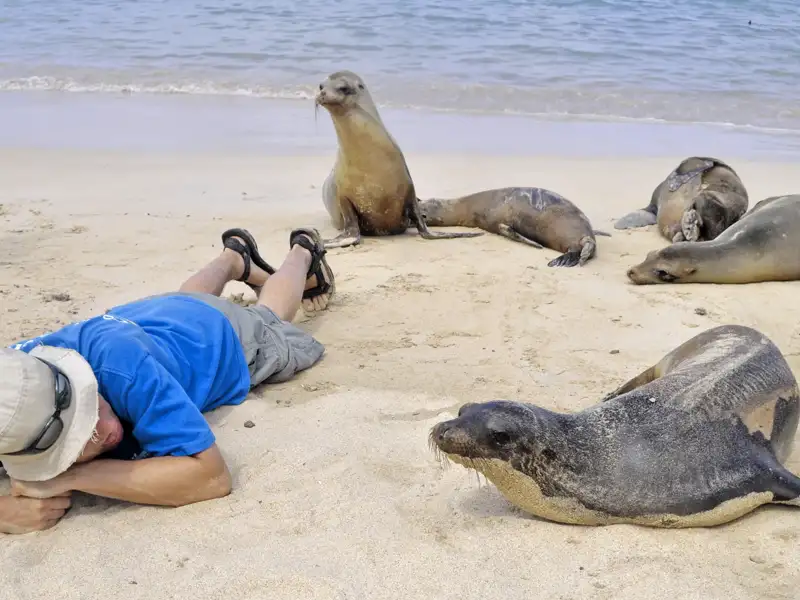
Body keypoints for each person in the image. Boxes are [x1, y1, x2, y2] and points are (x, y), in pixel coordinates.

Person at [0, 226, 335, 535]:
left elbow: (211, 477)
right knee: (185, 303)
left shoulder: (125, 369)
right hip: (152, 317)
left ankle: (304, 251)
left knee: (268, 318)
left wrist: (68, 476)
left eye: (89, 406)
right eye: (78, 438)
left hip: (219, 337)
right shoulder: (14, 381)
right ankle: (234, 257)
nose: (103, 430)